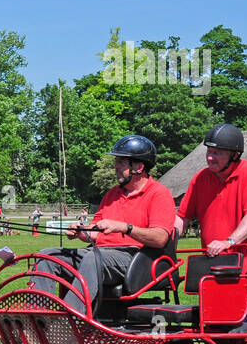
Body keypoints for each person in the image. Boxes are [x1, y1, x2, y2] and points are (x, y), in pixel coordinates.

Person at [32, 135, 176, 315]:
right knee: (48, 255)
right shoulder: (111, 195)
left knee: (93, 258)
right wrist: (80, 232)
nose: (115, 166)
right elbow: (95, 233)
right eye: (117, 161)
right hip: (100, 253)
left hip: (136, 258)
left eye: (121, 162)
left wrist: (125, 227)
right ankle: (34, 317)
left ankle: (69, 320)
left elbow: (161, 238)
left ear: (139, 167)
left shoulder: (159, 194)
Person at [172, 123, 247, 326]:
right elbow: (182, 217)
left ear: (234, 155)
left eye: (217, 153)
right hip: (212, 273)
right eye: (208, 151)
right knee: (215, 336)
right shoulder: (200, 178)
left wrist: (229, 241)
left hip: (245, 275)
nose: (210, 157)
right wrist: (167, 242)